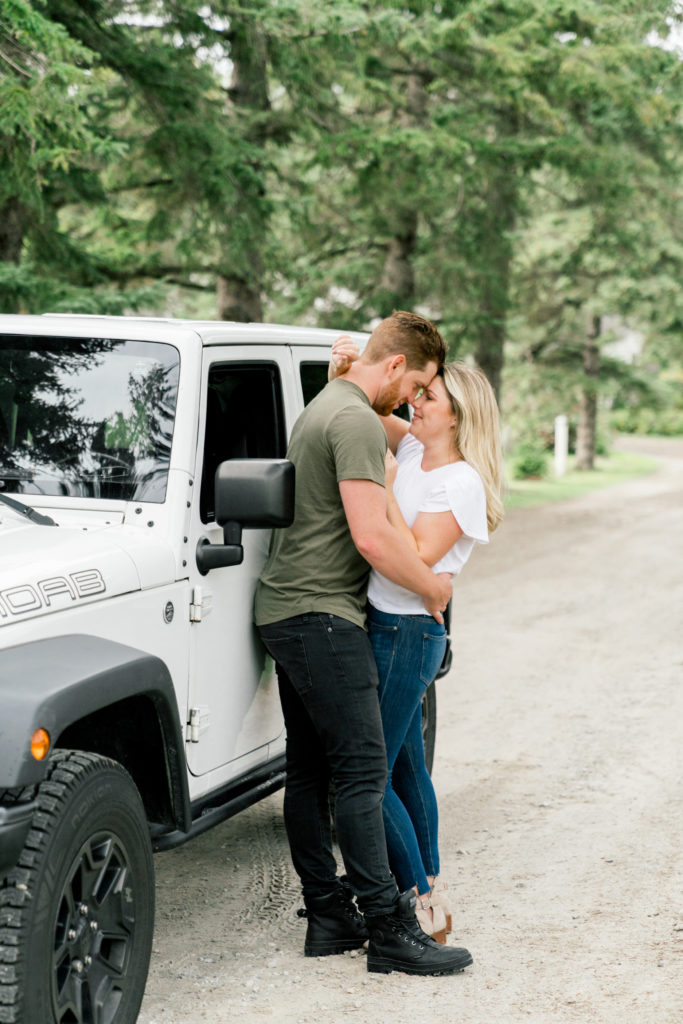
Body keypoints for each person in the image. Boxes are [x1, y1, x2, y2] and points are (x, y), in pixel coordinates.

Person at [254, 311, 473, 976]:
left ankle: (328, 919)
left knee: (311, 773)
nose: (411, 400)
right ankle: (388, 929)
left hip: (287, 610)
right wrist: (434, 592)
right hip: (322, 616)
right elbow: (372, 538)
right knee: (361, 775)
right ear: (396, 366)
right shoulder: (351, 418)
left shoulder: (330, 401)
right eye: (419, 384)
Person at [333, 336, 504, 942]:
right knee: (405, 769)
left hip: (408, 635)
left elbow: (417, 559)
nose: (416, 403)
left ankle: (420, 896)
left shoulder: (458, 482)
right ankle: (433, 890)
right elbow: (361, 407)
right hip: (386, 623)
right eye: (418, 393)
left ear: (457, 415)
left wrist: (379, 484)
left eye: (428, 397)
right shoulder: (412, 449)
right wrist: (346, 369)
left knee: (366, 774)